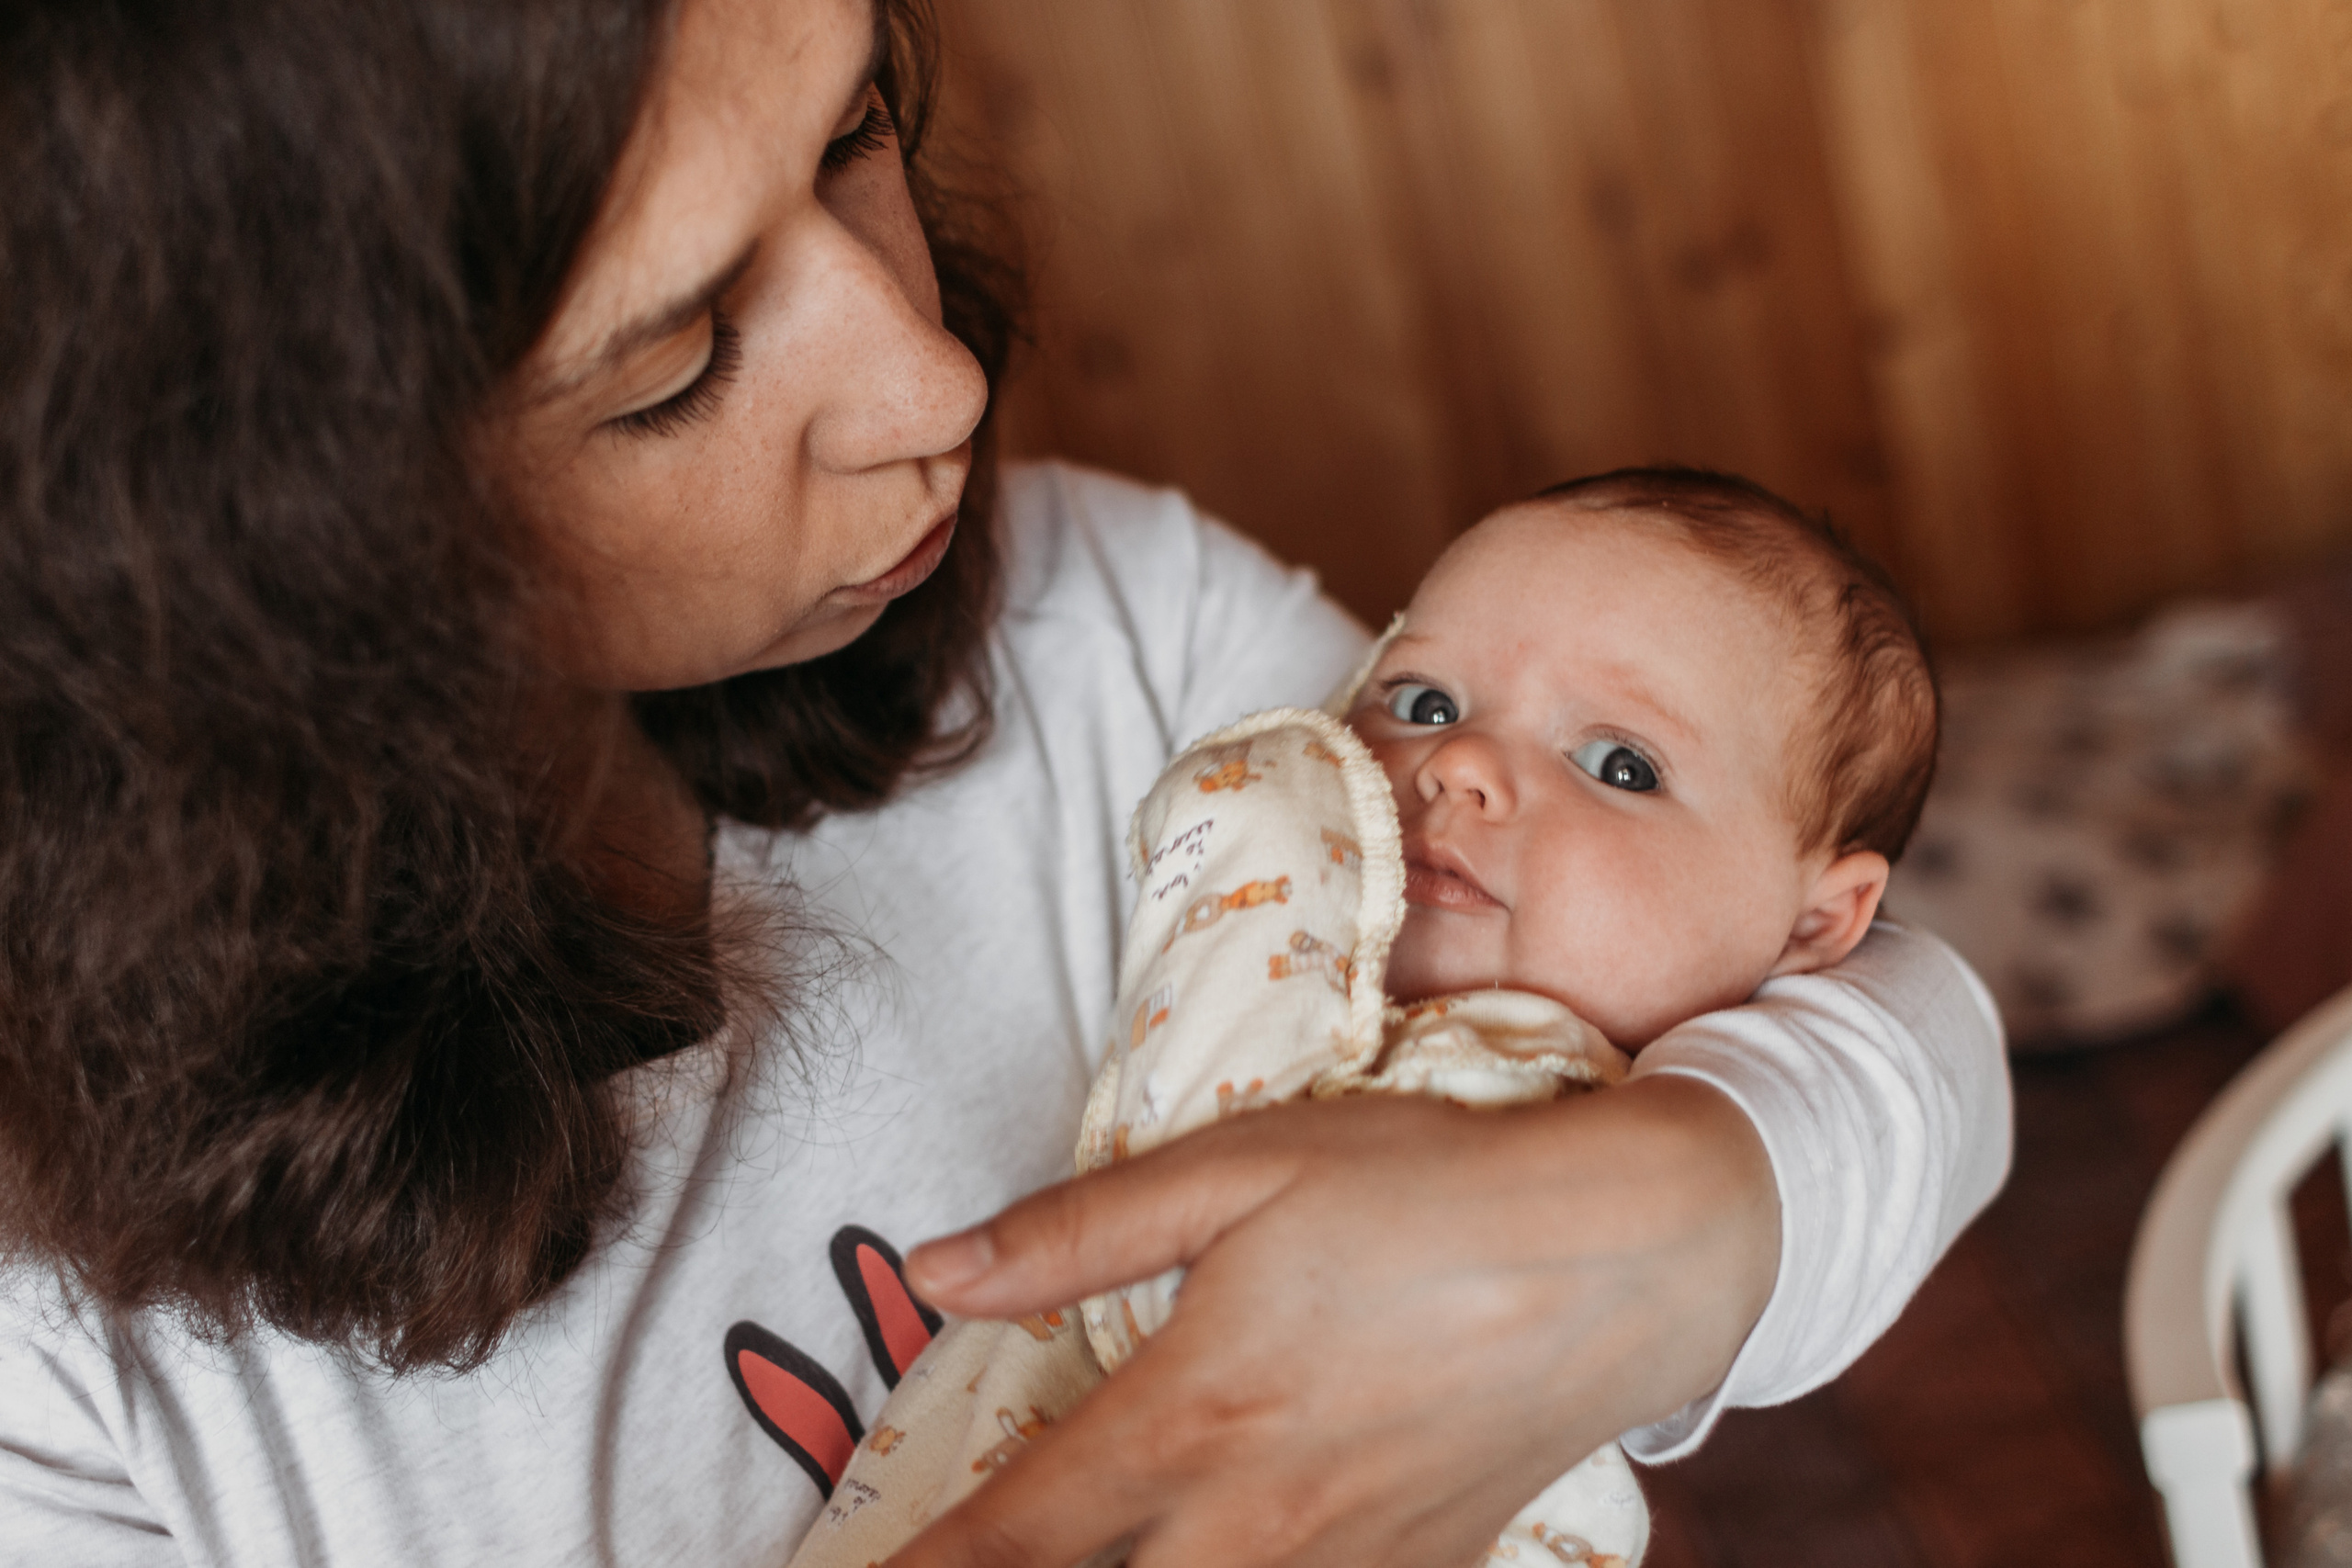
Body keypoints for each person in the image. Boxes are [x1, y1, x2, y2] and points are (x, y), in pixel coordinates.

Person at [0, 1, 2009, 1565]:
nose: (930, 379)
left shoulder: (1102, 628)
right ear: (272, 528)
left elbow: (1891, 1005)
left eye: (855, 129)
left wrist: (1676, 1203)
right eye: (676, 359)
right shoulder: (57, 1362)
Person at [786, 468, 1941, 1568]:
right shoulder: (1359, 1011)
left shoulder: (1500, 1107)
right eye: (1423, 700)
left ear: (1811, 926)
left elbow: (1183, 1288)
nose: (1459, 764)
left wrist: (1260, 807)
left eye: (1618, 764)